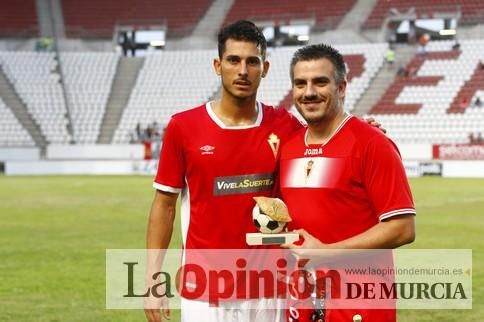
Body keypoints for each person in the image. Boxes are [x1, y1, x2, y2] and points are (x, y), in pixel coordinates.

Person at [144, 20, 303, 322]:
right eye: (233, 60)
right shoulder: (183, 127)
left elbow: (325, 142)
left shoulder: (285, 125)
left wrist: (364, 131)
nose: (243, 70)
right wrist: (153, 278)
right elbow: (164, 206)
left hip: (268, 290)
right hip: (204, 292)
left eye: (252, 62)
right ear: (218, 65)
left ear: (265, 68)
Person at [279, 44, 416, 322]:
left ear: (341, 87)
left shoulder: (372, 143)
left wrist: (326, 253)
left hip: (358, 298)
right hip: (301, 298)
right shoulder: (289, 146)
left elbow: (402, 229)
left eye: (320, 82)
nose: (309, 92)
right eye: (300, 83)